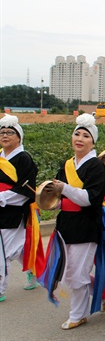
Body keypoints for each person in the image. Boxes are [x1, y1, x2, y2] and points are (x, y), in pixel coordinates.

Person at [48, 113, 105, 329]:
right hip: (66, 225)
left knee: (76, 274)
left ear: (93, 142)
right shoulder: (66, 165)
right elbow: (59, 198)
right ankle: (100, 289)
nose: (80, 138)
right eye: (77, 134)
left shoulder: (97, 167)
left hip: (86, 224)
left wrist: (64, 188)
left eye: (86, 135)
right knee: (67, 273)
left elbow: (89, 199)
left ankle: (78, 314)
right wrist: (50, 201)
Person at [0, 114, 38, 302]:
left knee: (4, 252)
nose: (5, 135)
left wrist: (2, 197)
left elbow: (25, 190)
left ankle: (0, 289)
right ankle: (32, 269)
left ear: (19, 137)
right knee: (17, 247)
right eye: (3, 132)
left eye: (10, 132)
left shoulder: (24, 159)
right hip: (1, 207)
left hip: (14, 209)